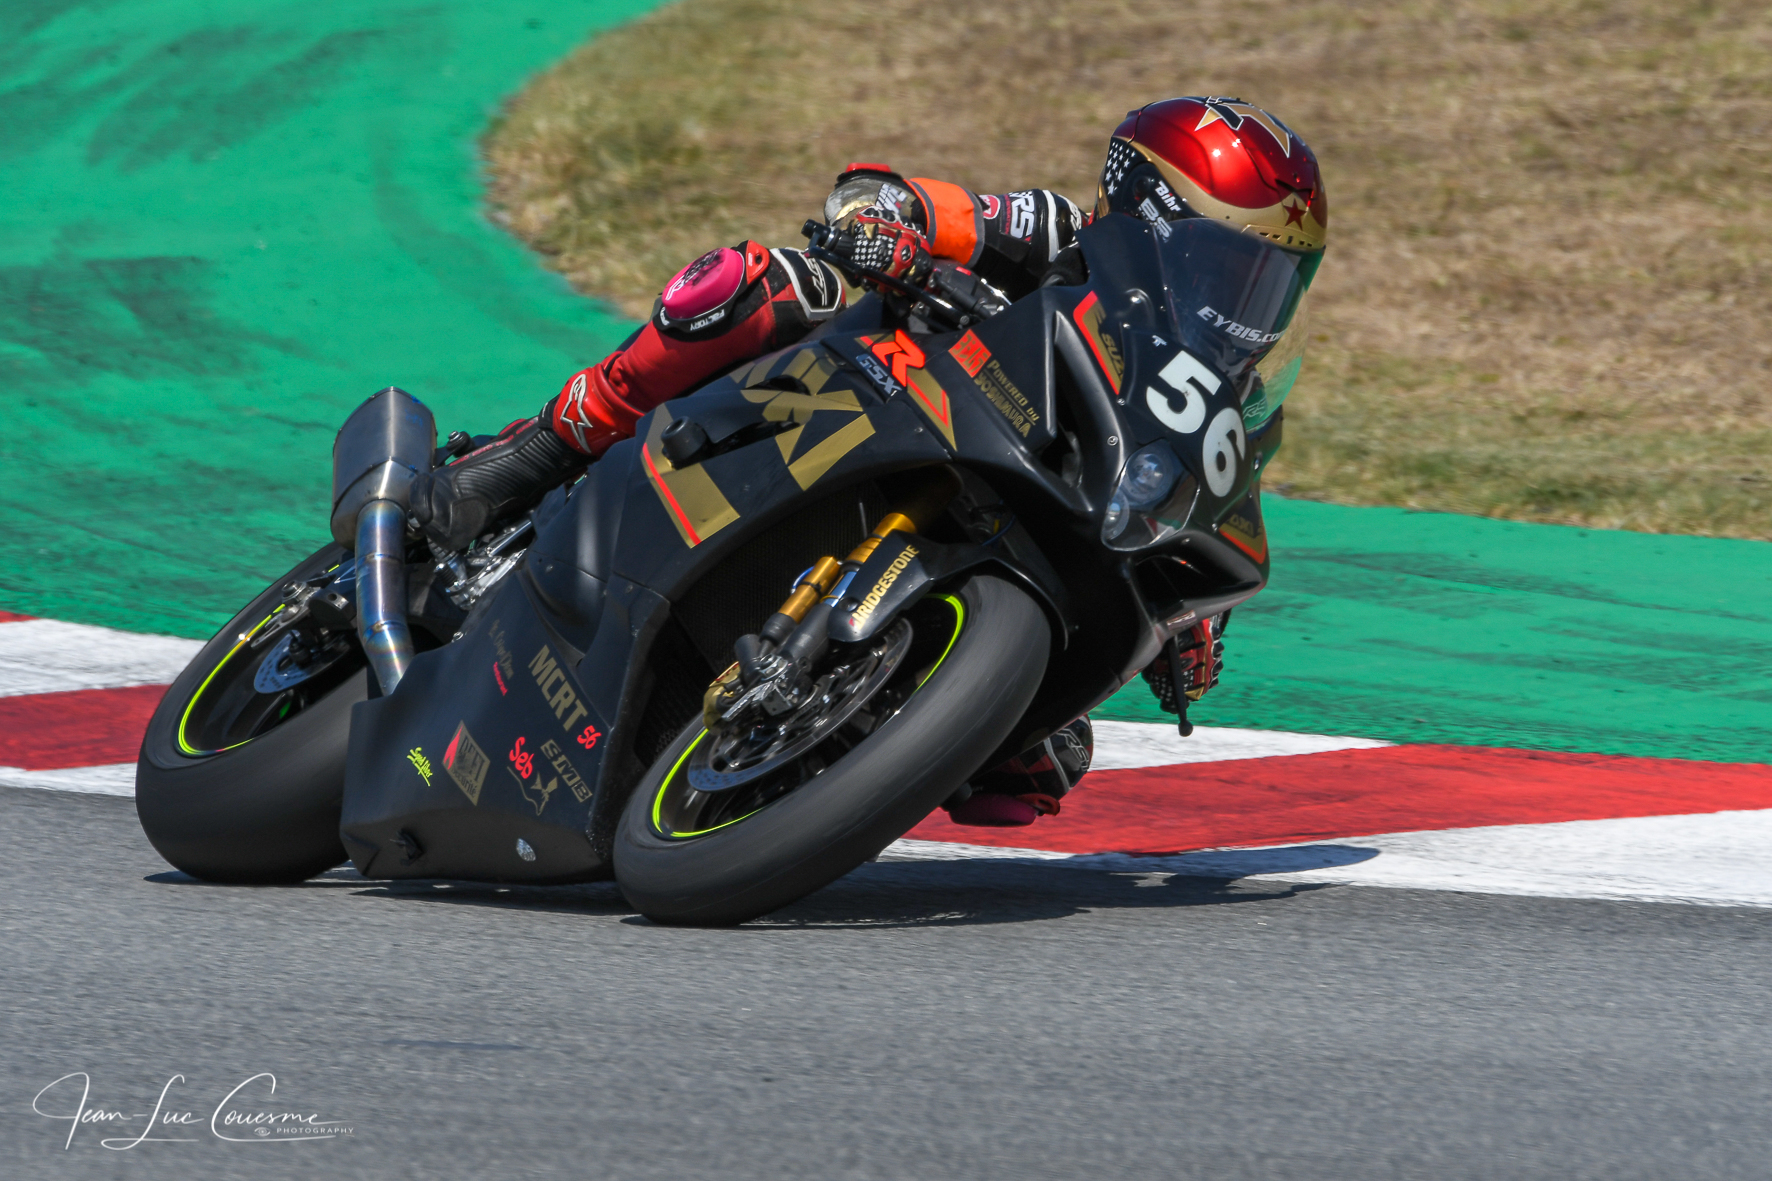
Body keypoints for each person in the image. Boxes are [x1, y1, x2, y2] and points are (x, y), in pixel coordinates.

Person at [408, 95, 1328, 825]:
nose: (1245, 305)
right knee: (758, 288)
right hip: (868, 393)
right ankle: (536, 452)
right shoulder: (1055, 233)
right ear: (1150, 216)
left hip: (1022, 529)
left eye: (1270, 282)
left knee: (1040, 772)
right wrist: (885, 224)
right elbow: (898, 200)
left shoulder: (1217, 397)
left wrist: (1183, 629)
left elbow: (1191, 510)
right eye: (1226, 266)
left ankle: (814, 758)